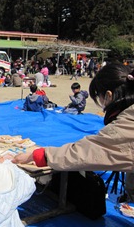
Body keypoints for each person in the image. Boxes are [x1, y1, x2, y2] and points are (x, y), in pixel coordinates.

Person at [13, 63, 134, 202]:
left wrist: (37, 155)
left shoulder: (126, 125)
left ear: (108, 95)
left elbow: (85, 152)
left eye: (100, 99)